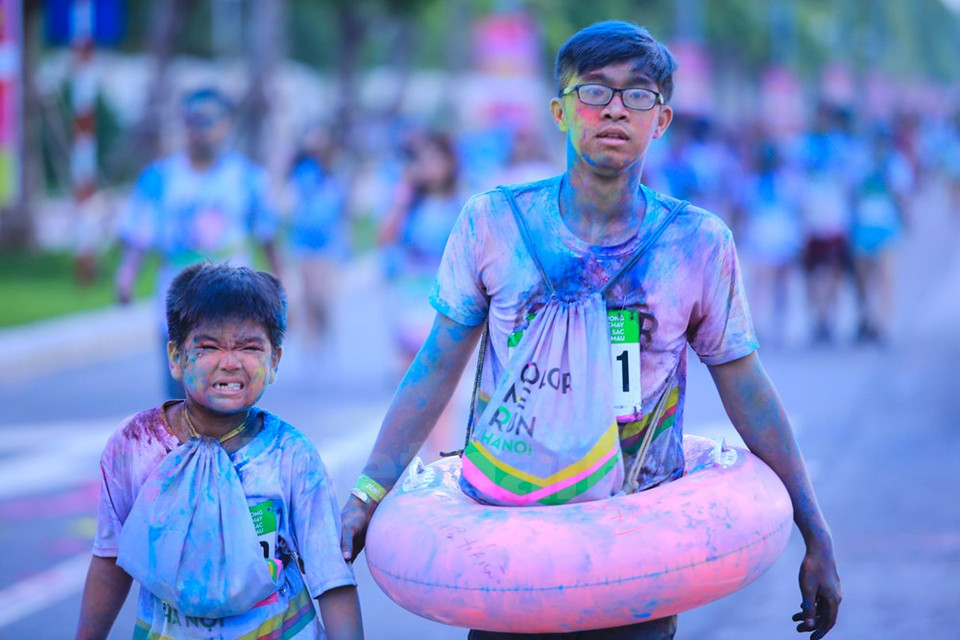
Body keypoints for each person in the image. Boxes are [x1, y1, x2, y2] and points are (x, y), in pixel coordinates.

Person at [340, 20, 841, 640]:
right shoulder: (493, 222)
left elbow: (748, 387)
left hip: (634, 546)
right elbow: (436, 365)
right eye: (594, 91)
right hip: (508, 547)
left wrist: (816, 531)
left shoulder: (697, 243)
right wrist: (368, 492)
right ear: (560, 111)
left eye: (638, 95)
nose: (615, 109)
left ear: (661, 120)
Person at [75, 262, 363, 640]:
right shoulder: (136, 445)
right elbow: (111, 555)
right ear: (176, 357)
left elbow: (331, 577)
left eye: (249, 347)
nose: (230, 362)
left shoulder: (292, 456)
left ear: (274, 361)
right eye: (209, 347)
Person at [114, 87, 281, 399]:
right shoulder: (159, 177)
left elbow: (268, 237)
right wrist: (126, 277)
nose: (200, 130)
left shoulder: (248, 178)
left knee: (231, 390)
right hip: (178, 296)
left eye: (209, 121)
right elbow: (138, 235)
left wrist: (279, 291)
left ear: (227, 125)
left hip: (234, 299)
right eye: (193, 121)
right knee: (180, 393)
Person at [284, 121, 350, 370]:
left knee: (323, 297)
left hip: (328, 244)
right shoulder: (302, 169)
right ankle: (310, 346)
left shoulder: (336, 171)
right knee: (308, 296)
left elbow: (344, 209)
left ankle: (326, 339)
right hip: (303, 242)